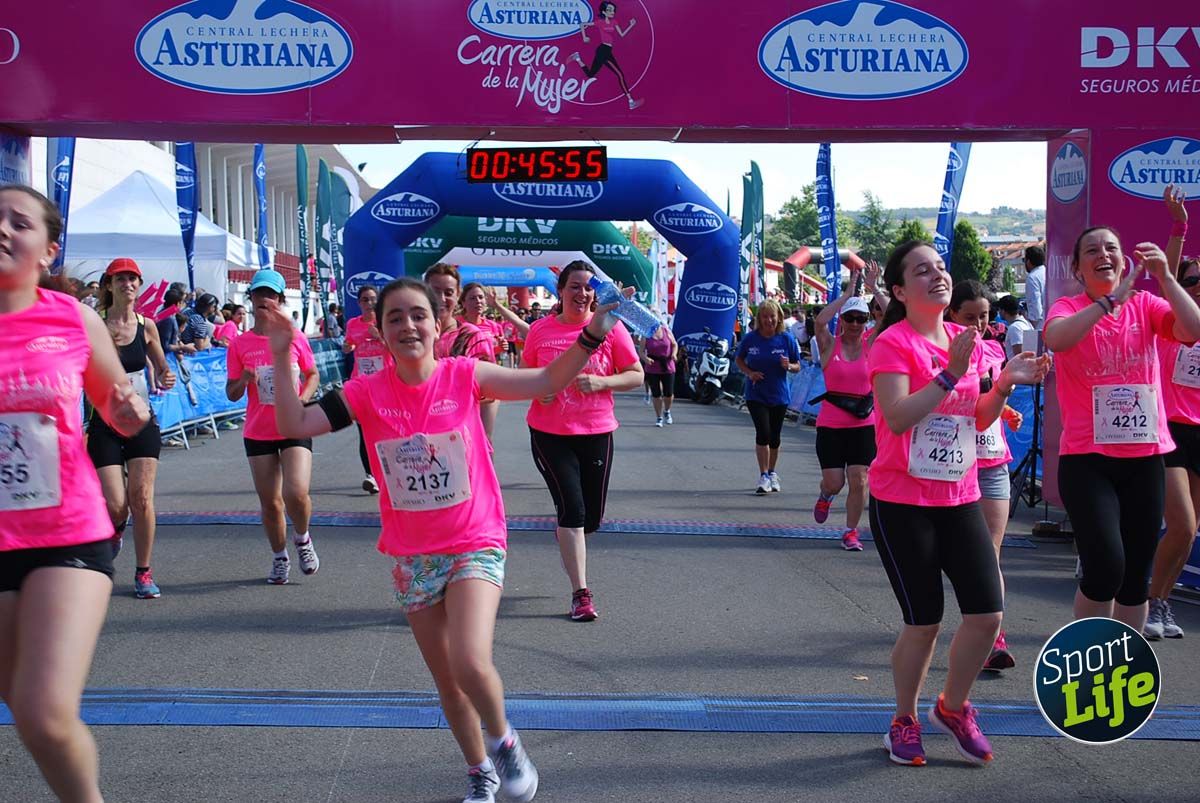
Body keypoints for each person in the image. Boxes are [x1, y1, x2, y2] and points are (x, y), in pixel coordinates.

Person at [261, 276, 627, 803]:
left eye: (418, 315)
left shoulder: (465, 375)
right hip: (413, 554)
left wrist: (593, 334)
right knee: (448, 681)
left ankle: (503, 742)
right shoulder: (365, 393)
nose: (408, 325)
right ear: (379, 332)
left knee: (470, 660)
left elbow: (547, 378)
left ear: (438, 324)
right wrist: (281, 354)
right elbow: (292, 420)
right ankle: (479, 770)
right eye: (395, 318)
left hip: (475, 539)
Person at [870, 241, 1048, 766]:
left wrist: (1004, 384)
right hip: (903, 500)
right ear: (900, 291)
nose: (938, 275)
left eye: (941, 267)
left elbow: (976, 417)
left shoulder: (962, 338)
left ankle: (952, 707)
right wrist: (949, 372)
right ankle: (903, 720)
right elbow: (898, 417)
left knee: (987, 615)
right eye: (922, 271)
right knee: (924, 621)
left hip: (960, 493)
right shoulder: (893, 343)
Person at [0, 184, 151, 802]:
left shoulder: (72, 318)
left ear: (48, 249)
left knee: (44, 711)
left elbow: (120, 409)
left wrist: (129, 409)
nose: (2, 229)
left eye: (18, 222)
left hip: (67, 531)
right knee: (22, 704)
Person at [1045, 226, 1200, 632]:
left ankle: (1125, 657)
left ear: (1124, 260)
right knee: (1105, 567)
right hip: (1087, 459)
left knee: (1134, 578)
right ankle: (1090, 649)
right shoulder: (1067, 307)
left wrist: (1166, 278)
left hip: (1145, 457)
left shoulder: (1146, 304)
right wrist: (1108, 302)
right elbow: (1057, 339)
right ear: (1077, 268)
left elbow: (1192, 329)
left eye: (1111, 248)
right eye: (1092, 250)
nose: (1103, 254)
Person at [522, 261, 643, 621]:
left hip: (596, 431)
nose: (582, 293)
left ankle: (568, 533)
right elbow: (527, 373)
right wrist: (538, 389)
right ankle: (581, 594)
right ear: (560, 291)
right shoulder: (540, 330)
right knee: (572, 511)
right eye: (574, 286)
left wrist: (603, 382)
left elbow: (635, 375)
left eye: (589, 287)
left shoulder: (611, 327)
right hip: (549, 433)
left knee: (590, 519)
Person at [226, 269, 321, 585]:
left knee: (296, 493)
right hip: (259, 430)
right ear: (251, 298)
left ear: (280, 300)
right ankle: (280, 557)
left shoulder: (295, 337)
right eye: (259, 293)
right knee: (270, 503)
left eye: (271, 294)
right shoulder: (239, 344)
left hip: (293, 425)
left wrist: (302, 400)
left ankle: (303, 538)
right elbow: (231, 393)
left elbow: (312, 375)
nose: (264, 299)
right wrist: (244, 379)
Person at [946, 280, 1023, 671]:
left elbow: (989, 399)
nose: (978, 325)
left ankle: (994, 636)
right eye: (969, 317)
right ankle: (969, 626)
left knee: (991, 554)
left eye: (985, 316)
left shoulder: (994, 351)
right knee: (961, 558)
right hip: (953, 465)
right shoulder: (941, 351)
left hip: (992, 461)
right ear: (952, 315)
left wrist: (1005, 410)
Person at [90, 258, 177, 599]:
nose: (127, 284)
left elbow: (162, 367)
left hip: (142, 422)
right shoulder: (94, 324)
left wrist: (166, 376)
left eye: (132, 279)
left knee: (141, 498)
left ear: (139, 285)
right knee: (116, 504)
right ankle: (115, 529)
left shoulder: (147, 326)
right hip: (105, 423)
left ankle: (143, 572)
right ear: (109, 285)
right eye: (120, 279)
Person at [1148, 185, 1198, 639]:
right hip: (1170, 429)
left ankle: (1162, 601)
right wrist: (1179, 226)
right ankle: (1150, 601)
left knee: (1191, 529)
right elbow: (1168, 273)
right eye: (1193, 281)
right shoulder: (1171, 321)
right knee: (1180, 525)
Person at [810, 274, 875, 551]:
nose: (856, 324)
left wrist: (874, 289)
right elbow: (820, 322)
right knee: (835, 483)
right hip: (831, 424)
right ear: (843, 320)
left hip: (863, 423)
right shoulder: (829, 344)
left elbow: (893, 319)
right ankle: (826, 494)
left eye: (861, 319)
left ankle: (850, 532)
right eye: (850, 318)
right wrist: (847, 295)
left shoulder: (872, 344)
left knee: (859, 480)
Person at [735, 299, 801, 494]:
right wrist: (749, 373)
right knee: (763, 432)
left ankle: (772, 472)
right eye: (764, 316)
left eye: (772, 316)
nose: (768, 320)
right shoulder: (751, 338)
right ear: (759, 318)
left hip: (779, 395)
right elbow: (739, 359)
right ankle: (763, 475)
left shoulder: (786, 338)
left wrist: (788, 366)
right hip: (756, 394)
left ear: (778, 317)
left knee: (775, 437)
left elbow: (798, 366)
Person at [343, 283, 387, 494]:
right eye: (365, 300)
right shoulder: (353, 324)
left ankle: (388, 472)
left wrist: (378, 336)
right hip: (361, 383)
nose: (369, 303)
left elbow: (395, 348)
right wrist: (348, 347)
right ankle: (371, 475)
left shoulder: (385, 321)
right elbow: (349, 343)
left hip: (385, 383)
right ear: (359, 303)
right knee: (365, 431)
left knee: (386, 429)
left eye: (373, 299)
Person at [568, 2, 643, 109]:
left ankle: (577, 58)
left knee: (590, 74)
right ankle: (631, 101)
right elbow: (582, 24)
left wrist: (631, 25)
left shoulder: (614, 22)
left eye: (613, 10)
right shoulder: (600, 22)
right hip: (603, 51)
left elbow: (622, 34)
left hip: (607, 51)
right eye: (609, 10)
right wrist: (584, 37)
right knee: (620, 75)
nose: (612, 12)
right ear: (604, 12)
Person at [461, 282, 508, 441]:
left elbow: (492, 353)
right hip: (464, 385)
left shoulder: (493, 326)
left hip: (488, 384)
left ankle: (487, 458)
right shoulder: (457, 325)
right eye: (472, 298)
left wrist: (500, 348)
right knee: (465, 435)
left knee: (486, 436)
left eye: (481, 297)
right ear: (463, 302)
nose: (478, 301)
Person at [640, 323, 677, 427]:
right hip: (653, 367)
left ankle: (667, 411)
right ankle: (659, 417)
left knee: (668, 393)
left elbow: (674, 344)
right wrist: (646, 359)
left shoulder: (666, 331)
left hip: (667, 366)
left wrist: (674, 354)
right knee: (656, 394)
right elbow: (641, 351)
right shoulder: (646, 334)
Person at [994, 294, 1034, 359]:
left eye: (999, 309)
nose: (999, 312)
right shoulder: (1026, 323)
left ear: (1003, 311)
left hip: (1019, 365)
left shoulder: (1014, 328)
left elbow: (1019, 356)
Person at [1023, 245, 1046, 330]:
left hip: (1040, 325)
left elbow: (1035, 305)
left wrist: (1032, 325)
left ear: (1028, 261)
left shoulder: (1032, 277)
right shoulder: (1048, 273)